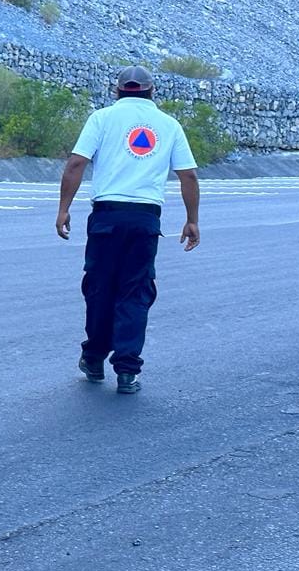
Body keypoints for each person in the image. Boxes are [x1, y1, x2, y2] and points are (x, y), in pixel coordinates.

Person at [55, 65, 200, 394]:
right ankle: (127, 370)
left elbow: (77, 163)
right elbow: (188, 176)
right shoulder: (168, 125)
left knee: (99, 288)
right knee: (135, 291)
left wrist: (63, 209)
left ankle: (93, 357)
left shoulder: (101, 119)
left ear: (117, 90)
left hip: (106, 217)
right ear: (152, 91)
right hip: (144, 219)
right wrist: (192, 219)